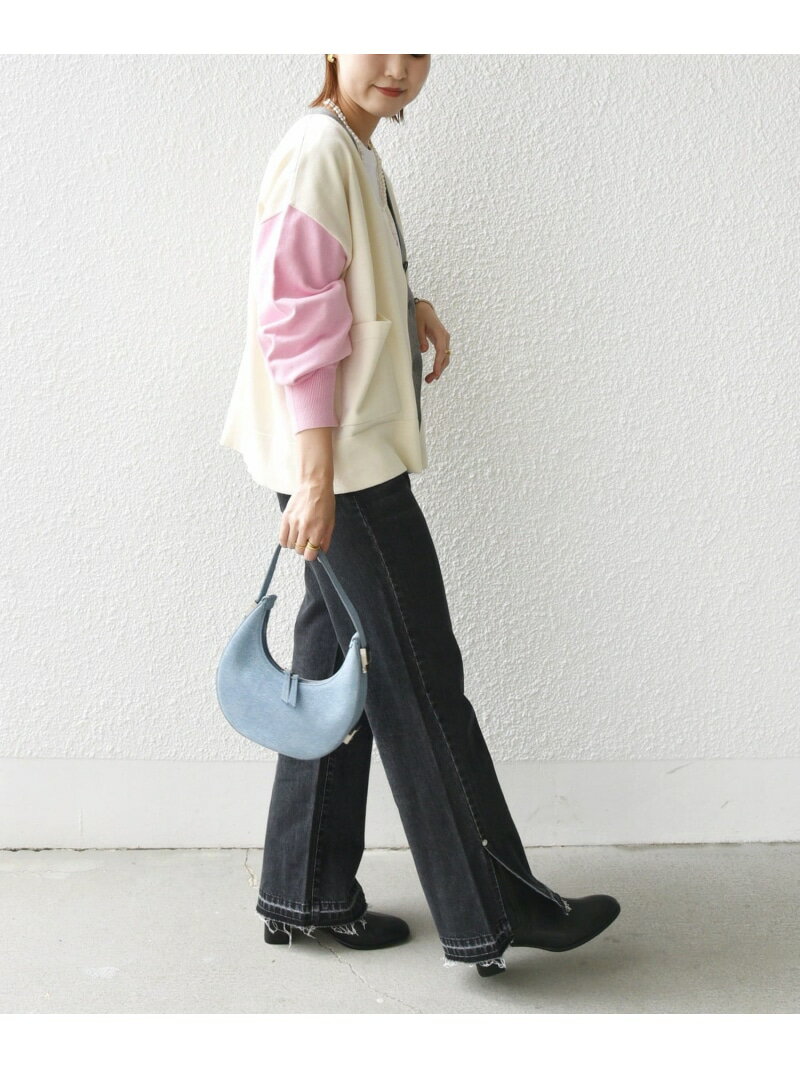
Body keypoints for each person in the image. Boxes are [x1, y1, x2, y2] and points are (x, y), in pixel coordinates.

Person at [219, 54, 621, 977]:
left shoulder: (349, 146)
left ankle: (305, 889)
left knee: (334, 660)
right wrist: (317, 478)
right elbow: (293, 321)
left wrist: (407, 304)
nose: (399, 66)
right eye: (379, 38)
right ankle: (496, 908)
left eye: (418, 44)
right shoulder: (319, 149)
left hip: (341, 460)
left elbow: (336, 286)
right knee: (419, 673)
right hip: (344, 468)